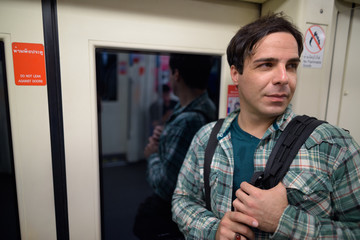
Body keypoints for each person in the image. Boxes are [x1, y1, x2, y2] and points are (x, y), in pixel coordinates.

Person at [172, 13, 360, 240]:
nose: (283, 78)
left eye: (291, 66)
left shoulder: (333, 145)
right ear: (235, 73)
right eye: (267, 65)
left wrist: (284, 220)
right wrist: (214, 230)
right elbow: (183, 201)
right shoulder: (206, 138)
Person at [133, 53, 217, 239]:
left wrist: (152, 154)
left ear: (176, 74)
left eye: (170, 73)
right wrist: (164, 135)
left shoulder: (188, 120)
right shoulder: (201, 105)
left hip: (173, 209)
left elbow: (165, 186)